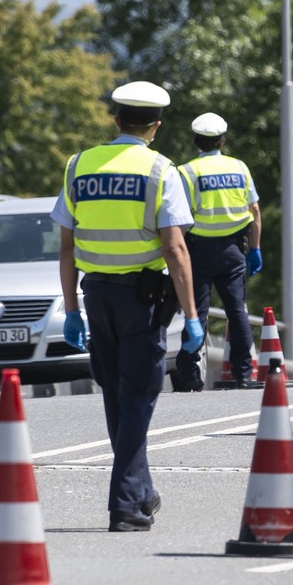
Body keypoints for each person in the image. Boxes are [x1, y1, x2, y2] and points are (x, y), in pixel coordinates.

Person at [55, 81, 204, 532]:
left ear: (116, 119)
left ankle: (142, 492)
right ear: (156, 126)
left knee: (117, 392)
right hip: (142, 299)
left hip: (96, 295)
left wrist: (71, 309)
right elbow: (175, 248)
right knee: (139, 393)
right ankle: (124, 504)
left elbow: (67, 246)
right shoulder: (161, 170)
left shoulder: (79, 165)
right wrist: (192, 316)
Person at [172, 112, 262, 391]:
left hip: (198, 251)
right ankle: (243, 374)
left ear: (196, 140)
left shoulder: (186, 172)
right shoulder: (239, 167)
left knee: (196, 312)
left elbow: (178, 218)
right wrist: (255, 248)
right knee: (237, 311)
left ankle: (189, 375)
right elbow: (254, 210)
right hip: (233, 250)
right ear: (222, 140)